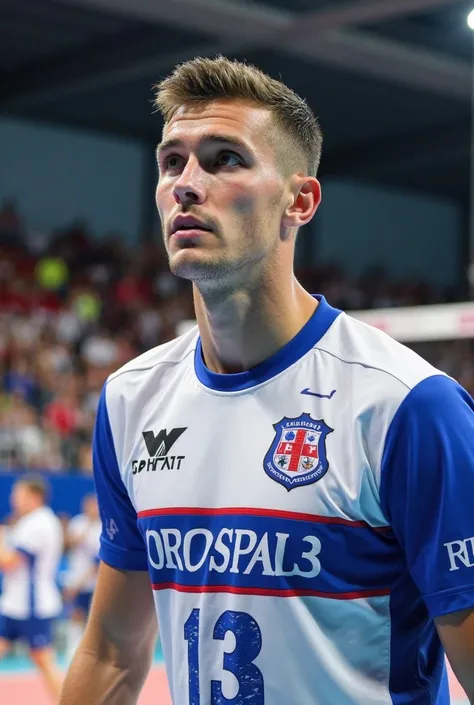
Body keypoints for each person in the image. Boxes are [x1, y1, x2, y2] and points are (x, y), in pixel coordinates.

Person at [60, 57, 474, 705]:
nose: (187, 185)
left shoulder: (407, 406)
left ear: (300, 200)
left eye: (225, 159)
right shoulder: (130, 400)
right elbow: (113, 648)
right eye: (172, 162)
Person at [0, 475, 63, 701]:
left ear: (34, 497)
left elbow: (9, 562)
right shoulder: (30, 521)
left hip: (32, 606)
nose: (13, 498)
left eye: (18, 494)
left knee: (44, 660)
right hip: (15, 602)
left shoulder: (39, 523)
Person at [62, 494, 100, 663]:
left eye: (95, 506)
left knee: (95, 618)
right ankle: (72, 650)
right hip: (75, 576)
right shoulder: (78, 522)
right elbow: (68, 544)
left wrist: (80, 583)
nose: (91, 509)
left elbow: (97, 562)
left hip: (93, 582)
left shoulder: (103, 526)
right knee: (75, 615)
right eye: (89, 505)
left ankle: (94, 654)